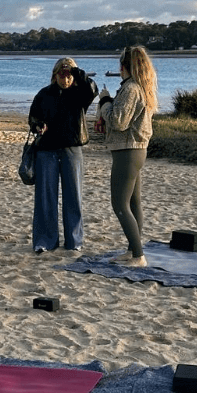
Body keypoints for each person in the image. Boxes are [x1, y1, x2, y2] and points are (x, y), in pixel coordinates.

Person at [28, 57, 98, 253]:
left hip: (72, 149)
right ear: (55, 74)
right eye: (62, 74)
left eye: (69, 75)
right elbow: (33, 117)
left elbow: (93, 89)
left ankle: (74, 242)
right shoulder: (44, 94)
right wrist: (37, 126)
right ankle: (45, 241)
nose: (65, 78)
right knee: (45, 197)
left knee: (73, 196)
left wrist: (77, 72)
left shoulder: (80, 94)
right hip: (47, 150)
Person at [98, 45, 158, 268]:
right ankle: (133, 250)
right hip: (135, 149)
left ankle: (138, 255)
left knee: (120, 204)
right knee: (133, 202)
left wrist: (104, 101)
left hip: (128, 150)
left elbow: (118, 121)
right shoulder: (141, 86)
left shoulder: (132, 88)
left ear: (124, 66)